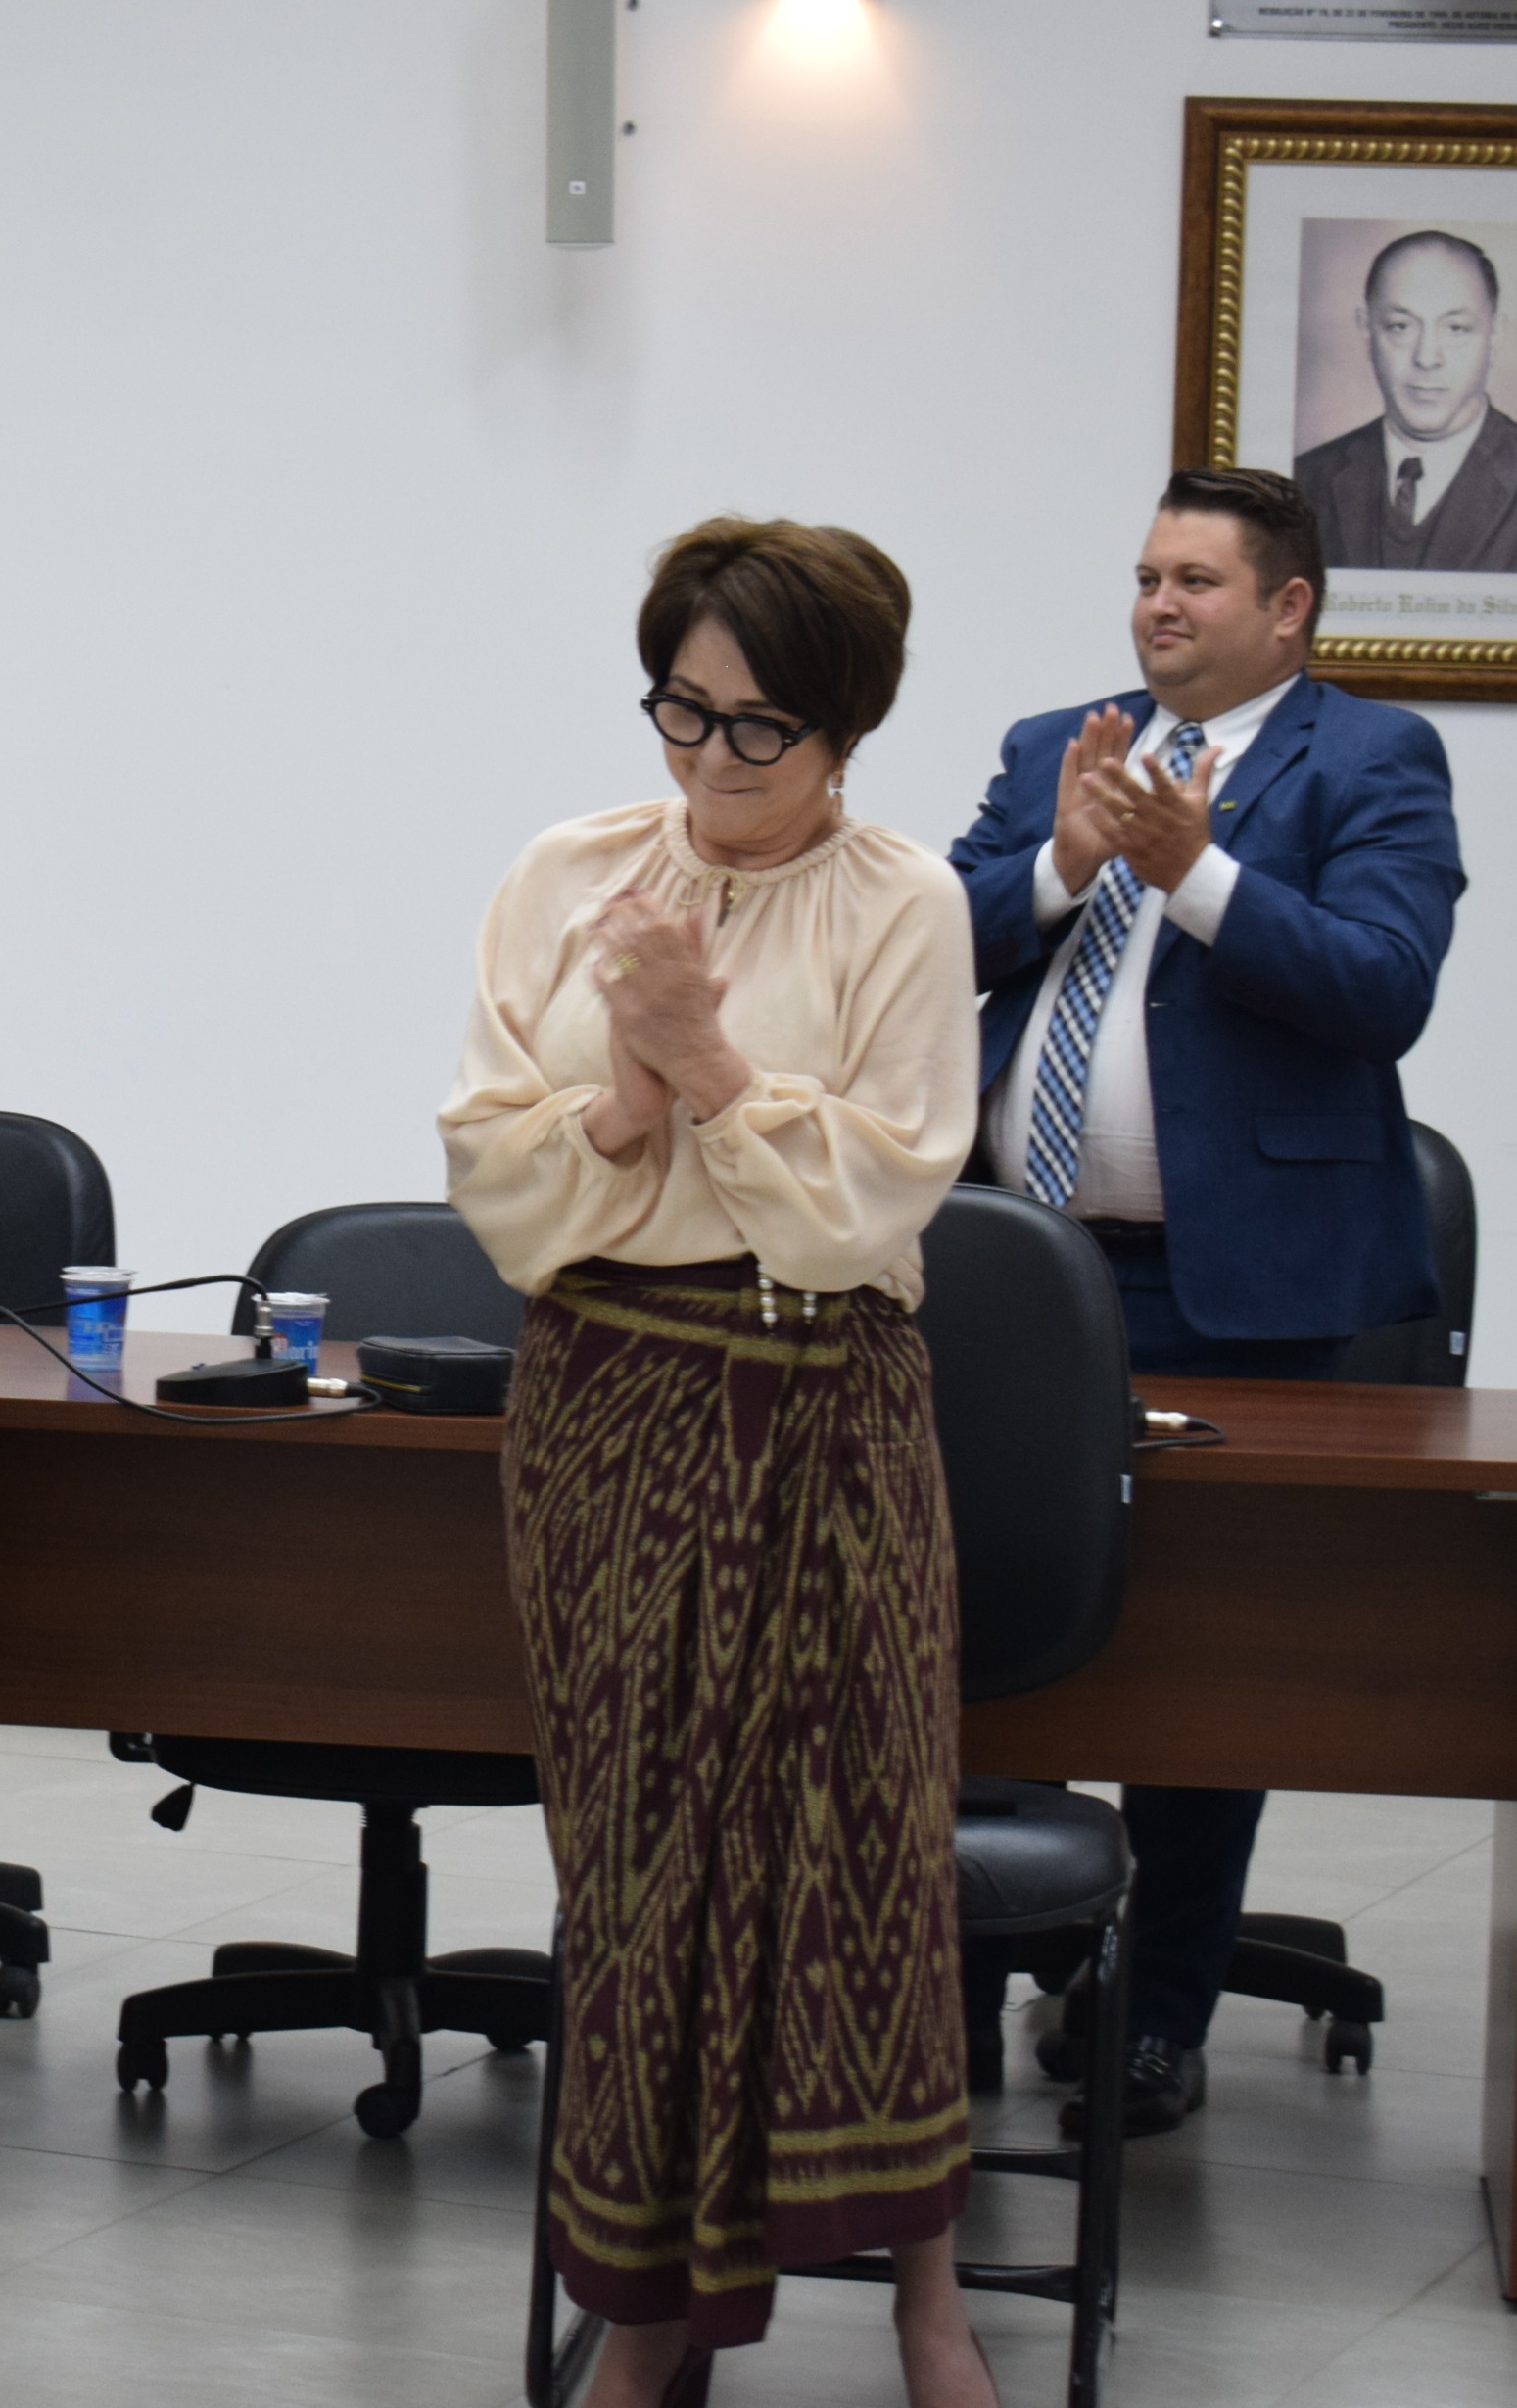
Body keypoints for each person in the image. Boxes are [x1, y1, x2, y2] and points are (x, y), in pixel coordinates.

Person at [440, 519, 991, 2408]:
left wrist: (710, 1065)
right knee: (640, 1868)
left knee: (855, 1853)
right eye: (681, 710)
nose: (710, 761)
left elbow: (867, 1204)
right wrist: (623, 1097)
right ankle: (646, 2314)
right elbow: (497, 1176)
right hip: (609, 1406)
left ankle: (926, 2295)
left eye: (759, 728)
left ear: (844, 730)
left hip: (826, 1408)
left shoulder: (906, 903)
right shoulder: (568, 874)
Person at [945, 465, 1462, 2136]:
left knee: (1200, 1666)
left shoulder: (1371, 758)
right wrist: (1058, 860)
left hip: (1239, 1292)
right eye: (1148, 574)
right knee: (988, 1627)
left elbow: (1383, 987)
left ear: (1287, 608)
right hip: (1020, 1276)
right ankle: (965, 1983)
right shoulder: (1057, 744)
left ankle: (1153, 2014)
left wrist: (1200, 873)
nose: (1158, 605)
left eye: (1197, 580)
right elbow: (923, 940)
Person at [1293, 229, 1517, 572]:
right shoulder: (1301, 481)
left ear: (1495, 335)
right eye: (1400, 327)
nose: (1426, 358)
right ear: (1366, 330)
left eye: (1456, 329)